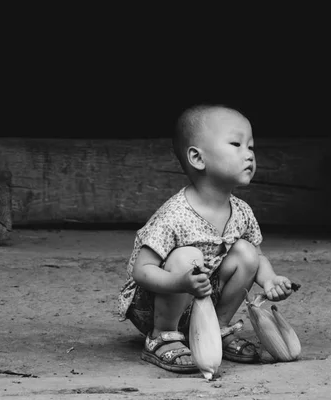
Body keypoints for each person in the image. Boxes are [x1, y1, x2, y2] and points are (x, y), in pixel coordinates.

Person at [117, 104, 295, 373]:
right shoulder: (175, 215)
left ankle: (217, 328)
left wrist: (270, 280)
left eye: (251, 147)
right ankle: (161, 337)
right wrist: (180, 282)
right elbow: (141, 271)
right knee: (188, 257)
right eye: (236, 144)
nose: (248, 154)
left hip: (204, 299)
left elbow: (257, 258)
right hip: (161, 302)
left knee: (246, 252)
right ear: (198, 158)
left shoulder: (242, 212)